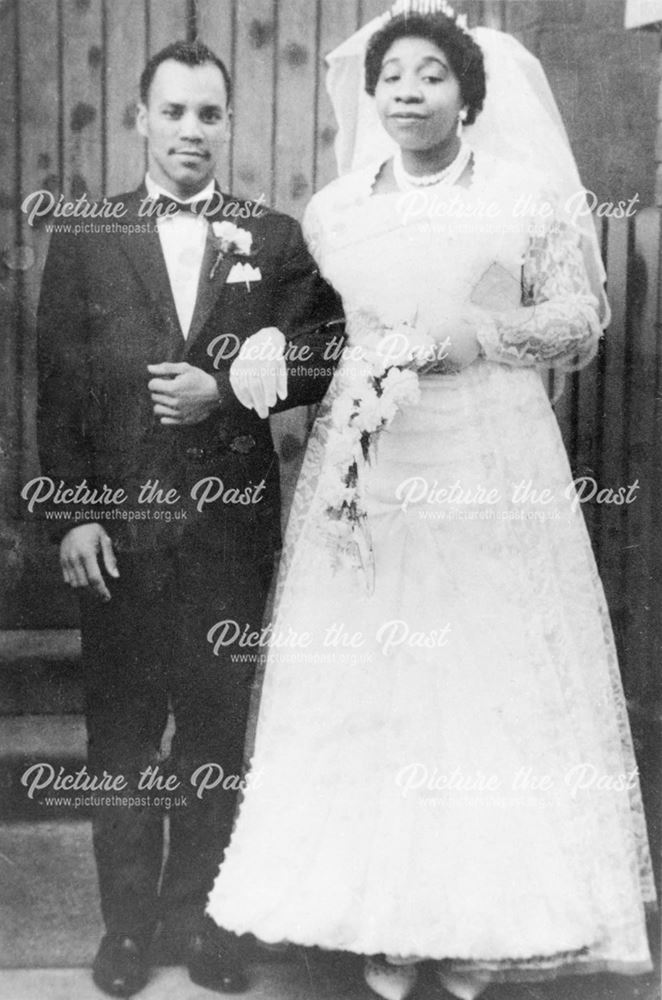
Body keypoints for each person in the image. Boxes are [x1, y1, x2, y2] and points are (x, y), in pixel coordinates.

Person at [206, 6, 655, 1000]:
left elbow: (580, 315)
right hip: (371, 463)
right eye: (391, 77)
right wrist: (277, 350)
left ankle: (472, 915)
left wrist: (482, 334)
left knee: (472, 677)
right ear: (371, 96)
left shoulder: (521, 198)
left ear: (468, 94)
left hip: (486, 458)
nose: (407, 92)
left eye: (429, 76)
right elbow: (316, 330)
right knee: (375, 682)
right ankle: (388, 917)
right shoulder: (335, 211)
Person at [35, 39, 342, 998]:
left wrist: (232, 389)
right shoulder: (87, 236)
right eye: (173, 112)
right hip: (117, 535)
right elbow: (55, 391)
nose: (191, 132)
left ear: (228, 124)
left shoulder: (277, 238)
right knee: (122, 740)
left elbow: (328, 350)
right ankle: (126, 929)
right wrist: (74, 516)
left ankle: (202, 920)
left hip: (228, 531)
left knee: (214, 734)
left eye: (209, 114)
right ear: (140, 118)